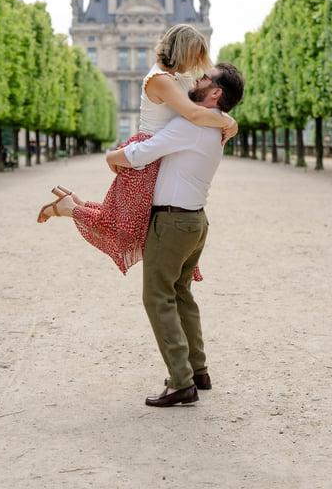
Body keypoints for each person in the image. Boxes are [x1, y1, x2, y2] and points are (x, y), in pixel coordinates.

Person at [37, 25, 238, 280]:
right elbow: (195, 113)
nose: (197, 64)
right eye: (195, 55)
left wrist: (226, 117)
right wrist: (229, 122)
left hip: (157, 155)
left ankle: (74, 200)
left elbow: (203, 105)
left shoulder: (180, 76)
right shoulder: (161, 80)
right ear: (183, 51)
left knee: (127, 221)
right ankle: (67, 207)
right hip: (145, 157)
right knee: (123, 228)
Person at [105, 62, 245, 406]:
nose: (196, 80)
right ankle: (198, 370)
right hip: (195, 221)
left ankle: (181, 382)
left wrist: (113, 155)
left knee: (157, 298)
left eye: (205, 79)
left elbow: (141, 154)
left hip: (172, 223)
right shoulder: (213, 129)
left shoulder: (192, 125)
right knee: (181, 294)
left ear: (215, 93)